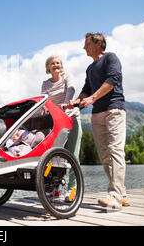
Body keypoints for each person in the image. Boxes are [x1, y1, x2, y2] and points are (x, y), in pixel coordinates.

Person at [66, 32, 130, 210]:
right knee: (104, 156)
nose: (83, 47)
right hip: (97, 114)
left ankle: (115, 196)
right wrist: (76, 101)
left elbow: (112, 80)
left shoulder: (111, 58)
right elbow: (86, 90)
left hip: (114, 110)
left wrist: (92, 98)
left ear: (98, 43)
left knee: (116, 150)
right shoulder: (90, 68)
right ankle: (122, 193)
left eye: (86, 44)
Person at [41, 56, 82, 201]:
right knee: (55, 156)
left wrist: (64, 107)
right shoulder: (45, 83)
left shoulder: (67, 77)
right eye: (52, 63)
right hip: (55, 122)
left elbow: (71, 90)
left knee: (72, 155)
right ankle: (55, 189)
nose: (56, 65)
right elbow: (44, 100)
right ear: (48, 68)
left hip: (71, 118)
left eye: (58, 63)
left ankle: (72, 190)